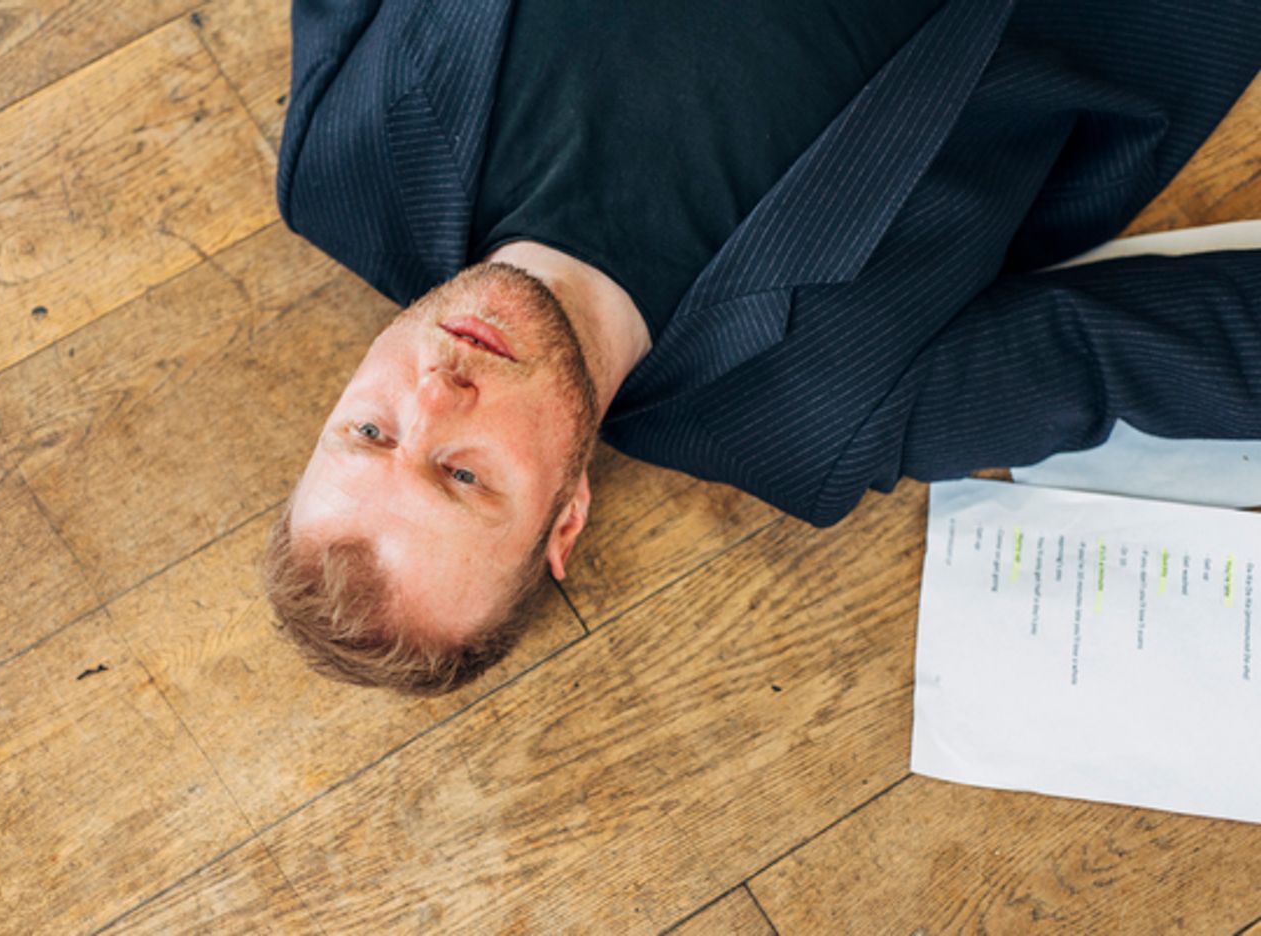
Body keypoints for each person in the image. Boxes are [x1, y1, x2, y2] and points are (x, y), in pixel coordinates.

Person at [261, 0, 1261, 695]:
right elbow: (1192, 349)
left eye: (369, 430)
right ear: (564, 520)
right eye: (462, 476)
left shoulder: (342, 162)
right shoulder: (820, 415)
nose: (434, 393)